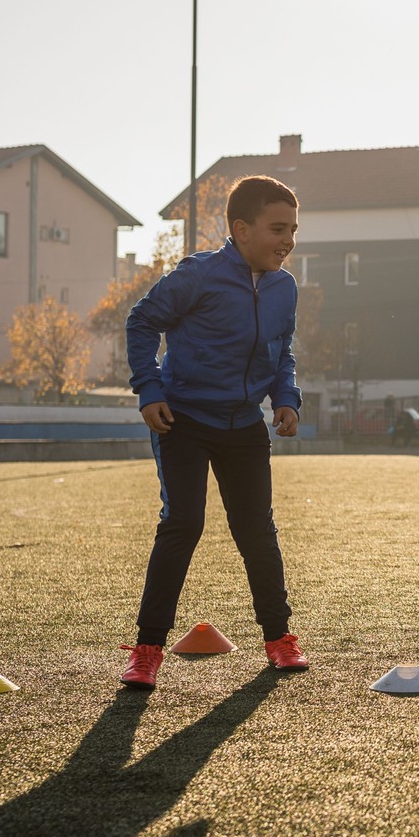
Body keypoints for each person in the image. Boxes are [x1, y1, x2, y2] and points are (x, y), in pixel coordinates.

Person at [120, 176, 311, 689]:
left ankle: (279, 640)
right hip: (182, 421)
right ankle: (146, 650)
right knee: (183, 524)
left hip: (244, 425)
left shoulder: (284, 286)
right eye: (277, 228)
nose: (287, 240)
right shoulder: (198, 276)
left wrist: (286, 399)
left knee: (257, 532)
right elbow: (141, 323)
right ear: (241, 229)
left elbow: (281, 350)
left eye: (293, 230)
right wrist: (149, 389)